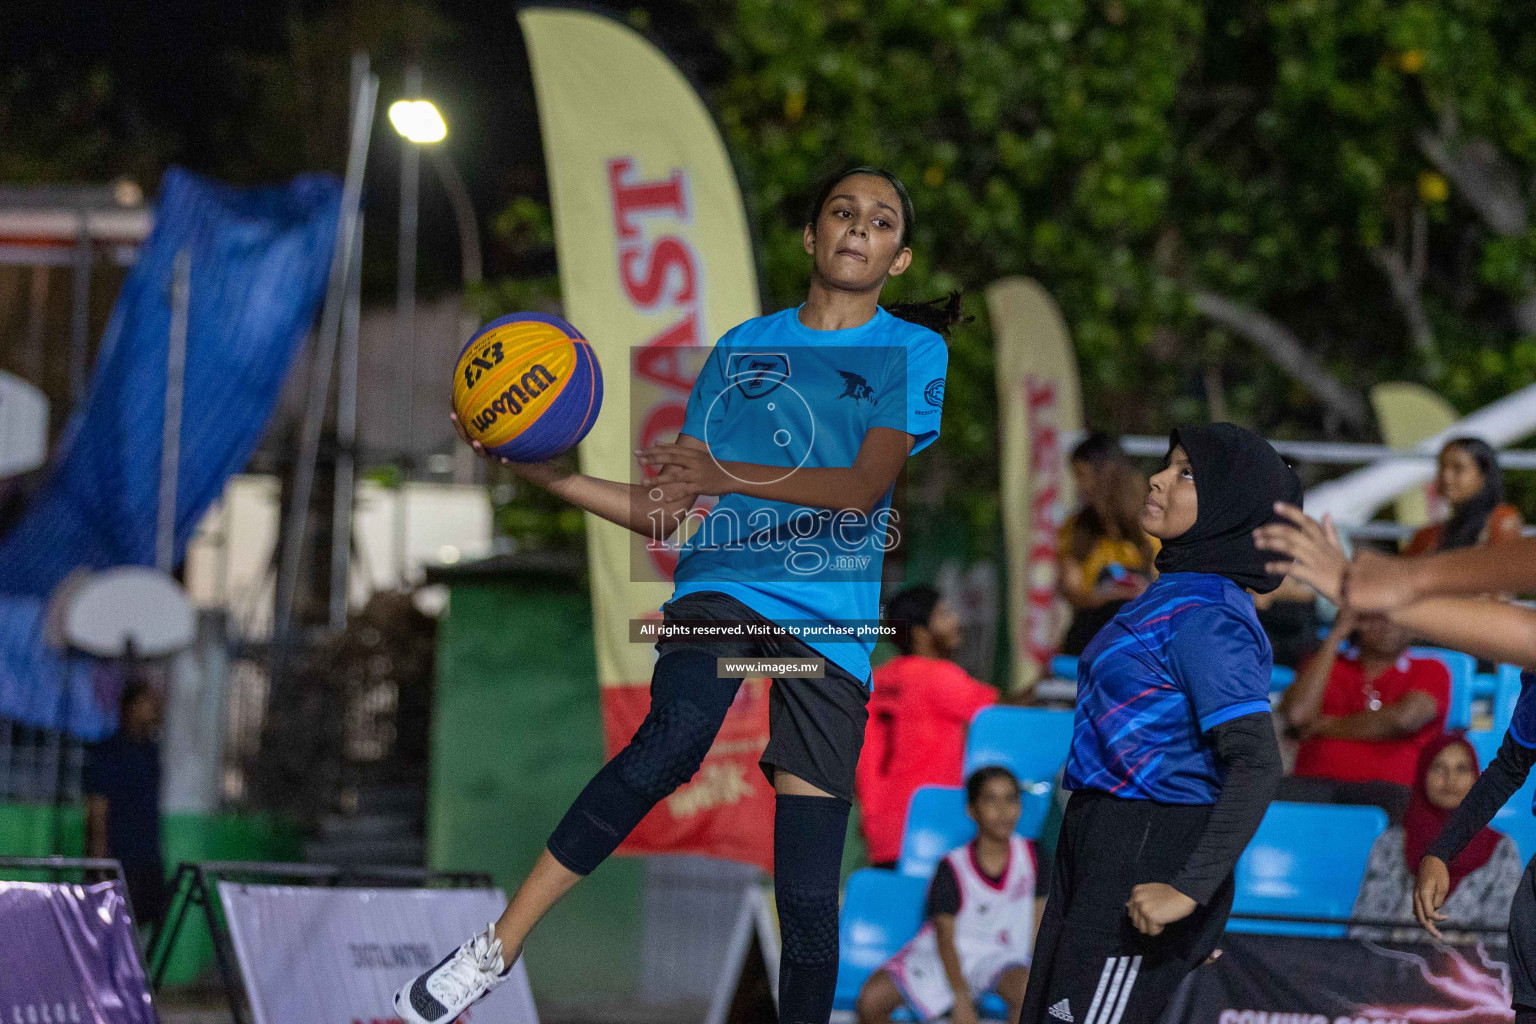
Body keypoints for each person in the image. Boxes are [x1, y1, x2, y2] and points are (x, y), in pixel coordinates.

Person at [396, 167, 955, 1024]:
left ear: (899, 258)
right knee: (672, 743)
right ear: (810, 237)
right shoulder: (741, 349)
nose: (857, 227)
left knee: (807, 894)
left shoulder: (912, 353)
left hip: (828, 630)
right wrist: (548, 475)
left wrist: (725, 473)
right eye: (841, 212)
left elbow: (860, 488)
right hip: (726, 590)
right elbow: (667, 510)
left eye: (880, 221)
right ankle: (494, 950)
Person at [1018, 424, 1294, 1024]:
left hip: (1148, 846)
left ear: (1227, 506)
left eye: (1186, 473)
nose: (1158, 479)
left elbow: (1256, 761)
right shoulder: (1168, 593)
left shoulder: (1209, 616)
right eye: (1166, 465)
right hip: (1098, 837)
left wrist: (1192, 890)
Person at [855, 767, 1036, 1024]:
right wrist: (960, 997)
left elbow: (1039, 925)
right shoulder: (951, 866)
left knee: (1028, 990)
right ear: (971, 809)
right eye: (991, 799)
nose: (1003, 810)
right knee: (871, 999)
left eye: (1010, 799)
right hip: (946, 954)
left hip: (1001, 956)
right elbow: (944, 936)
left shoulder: (1033, 856)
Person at [858, 585, 999, 869]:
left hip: (881, 830)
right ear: (922, 632)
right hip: (932, 829)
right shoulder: (938, 676)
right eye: (945, 613)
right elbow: (1000, 709)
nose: (956, 620)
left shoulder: (878, 680)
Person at [1276, 610, 1450, 823]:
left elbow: (1403, 720)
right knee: (1268, 797)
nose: (1389, 625)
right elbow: (1298, 715)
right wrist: (1334, 638)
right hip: (1312, 784)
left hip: (1392, 791)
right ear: (1357, 621)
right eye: (1378, 616)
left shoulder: (1431, 668)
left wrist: (1322, 727)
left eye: (1399, 616)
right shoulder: (1326, 665)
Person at [1349, 734, 1521, 943]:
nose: (1450, 779)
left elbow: (1503, 937)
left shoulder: (1500, 849)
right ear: (1423, 775)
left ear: (1476, 779)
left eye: (1461, 769)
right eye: (1438, 767)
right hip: (1395, 968)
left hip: (1471, 972)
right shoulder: (1392, 844)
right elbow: (1366, 927)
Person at [1057, 434, 1158, 656]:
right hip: (1092, 636)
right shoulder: (1075, 528)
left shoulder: (1153, 527)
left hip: (1144, 639)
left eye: (1082, 475)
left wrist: (1141, 591)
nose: (1078, 485)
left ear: (1107, 474)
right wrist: (1103, 596)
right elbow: (1071, 589)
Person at [83, 676, 168, 930]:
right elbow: (97, 810)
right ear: (131, 706)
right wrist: (99, 866)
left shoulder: (151, 753)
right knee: (108, 935)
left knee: (143, 937)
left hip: (147, 863)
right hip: (118, 864)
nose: (156, 709)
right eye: (149, 702)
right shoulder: (109, 753)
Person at [1403, 438, 1523, 556]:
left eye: (1458, 468)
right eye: (1442, 467)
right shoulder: (1427, 536)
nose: (1446, 477)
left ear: (1483, 475)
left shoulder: (1500, 521)